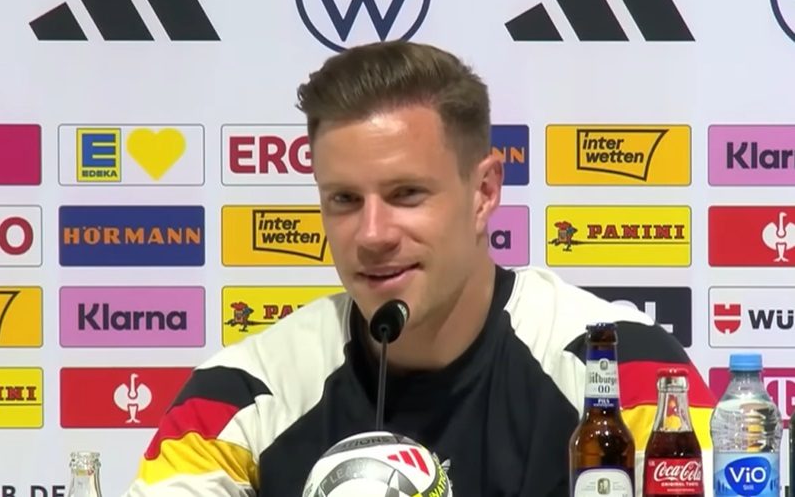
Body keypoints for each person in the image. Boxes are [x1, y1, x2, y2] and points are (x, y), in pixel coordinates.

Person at [122, 41, 715, 497]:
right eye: (344, 200)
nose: (372, 235)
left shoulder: (624, 371)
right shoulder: (239, 396)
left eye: (406, 194)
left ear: (483, 192)